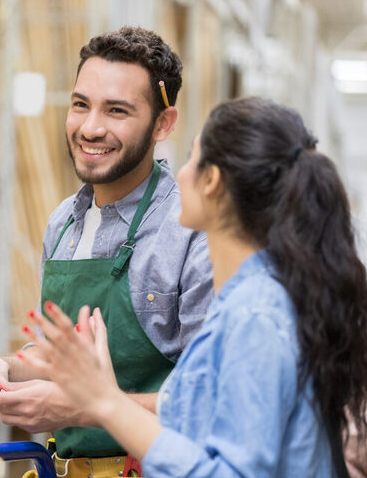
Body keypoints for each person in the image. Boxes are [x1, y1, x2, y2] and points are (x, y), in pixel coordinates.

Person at [22, 97, 367, 477]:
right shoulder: (243, 302)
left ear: (213, 181)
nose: (179, 173)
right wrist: (95, 392)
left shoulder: (255, 316)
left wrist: (105, 401)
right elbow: (186, 413)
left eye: (190, 159)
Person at [0, 26, 213, 476]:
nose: (91, 127)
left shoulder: (191, 231)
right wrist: (5, 371)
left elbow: (211, 402)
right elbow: (57, 361)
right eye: (81, 105)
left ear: (162, 124)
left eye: (117, 111)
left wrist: (85, 408)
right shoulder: (63, 223)